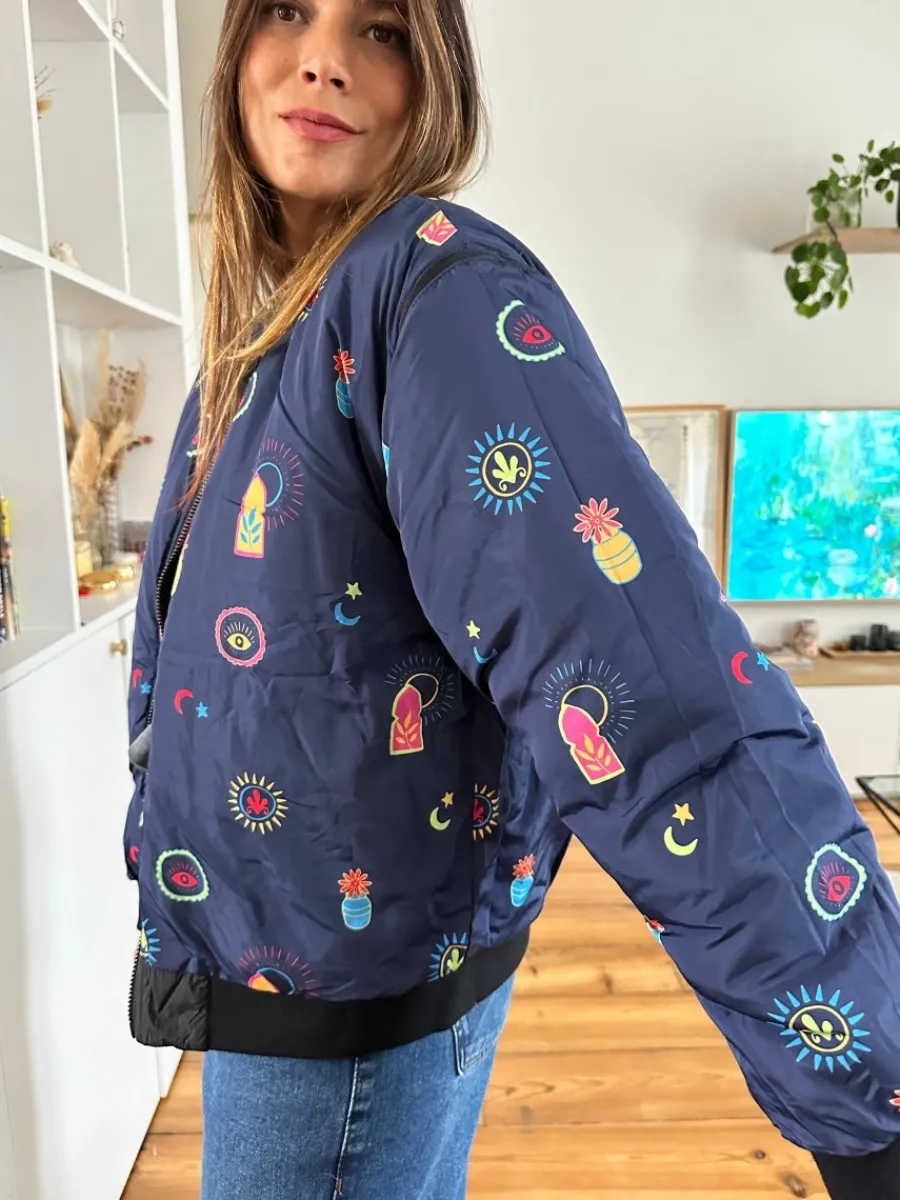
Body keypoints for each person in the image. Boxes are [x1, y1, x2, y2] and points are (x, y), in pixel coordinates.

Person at [123, 1, 900, 1197]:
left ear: (437, 77)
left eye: (380, 29)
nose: (323, 59)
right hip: (288, 973)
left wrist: (868, 1087)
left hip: (350, 1023)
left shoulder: (434, 298)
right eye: (286, 10)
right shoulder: (278, 324)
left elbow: (650, 693)